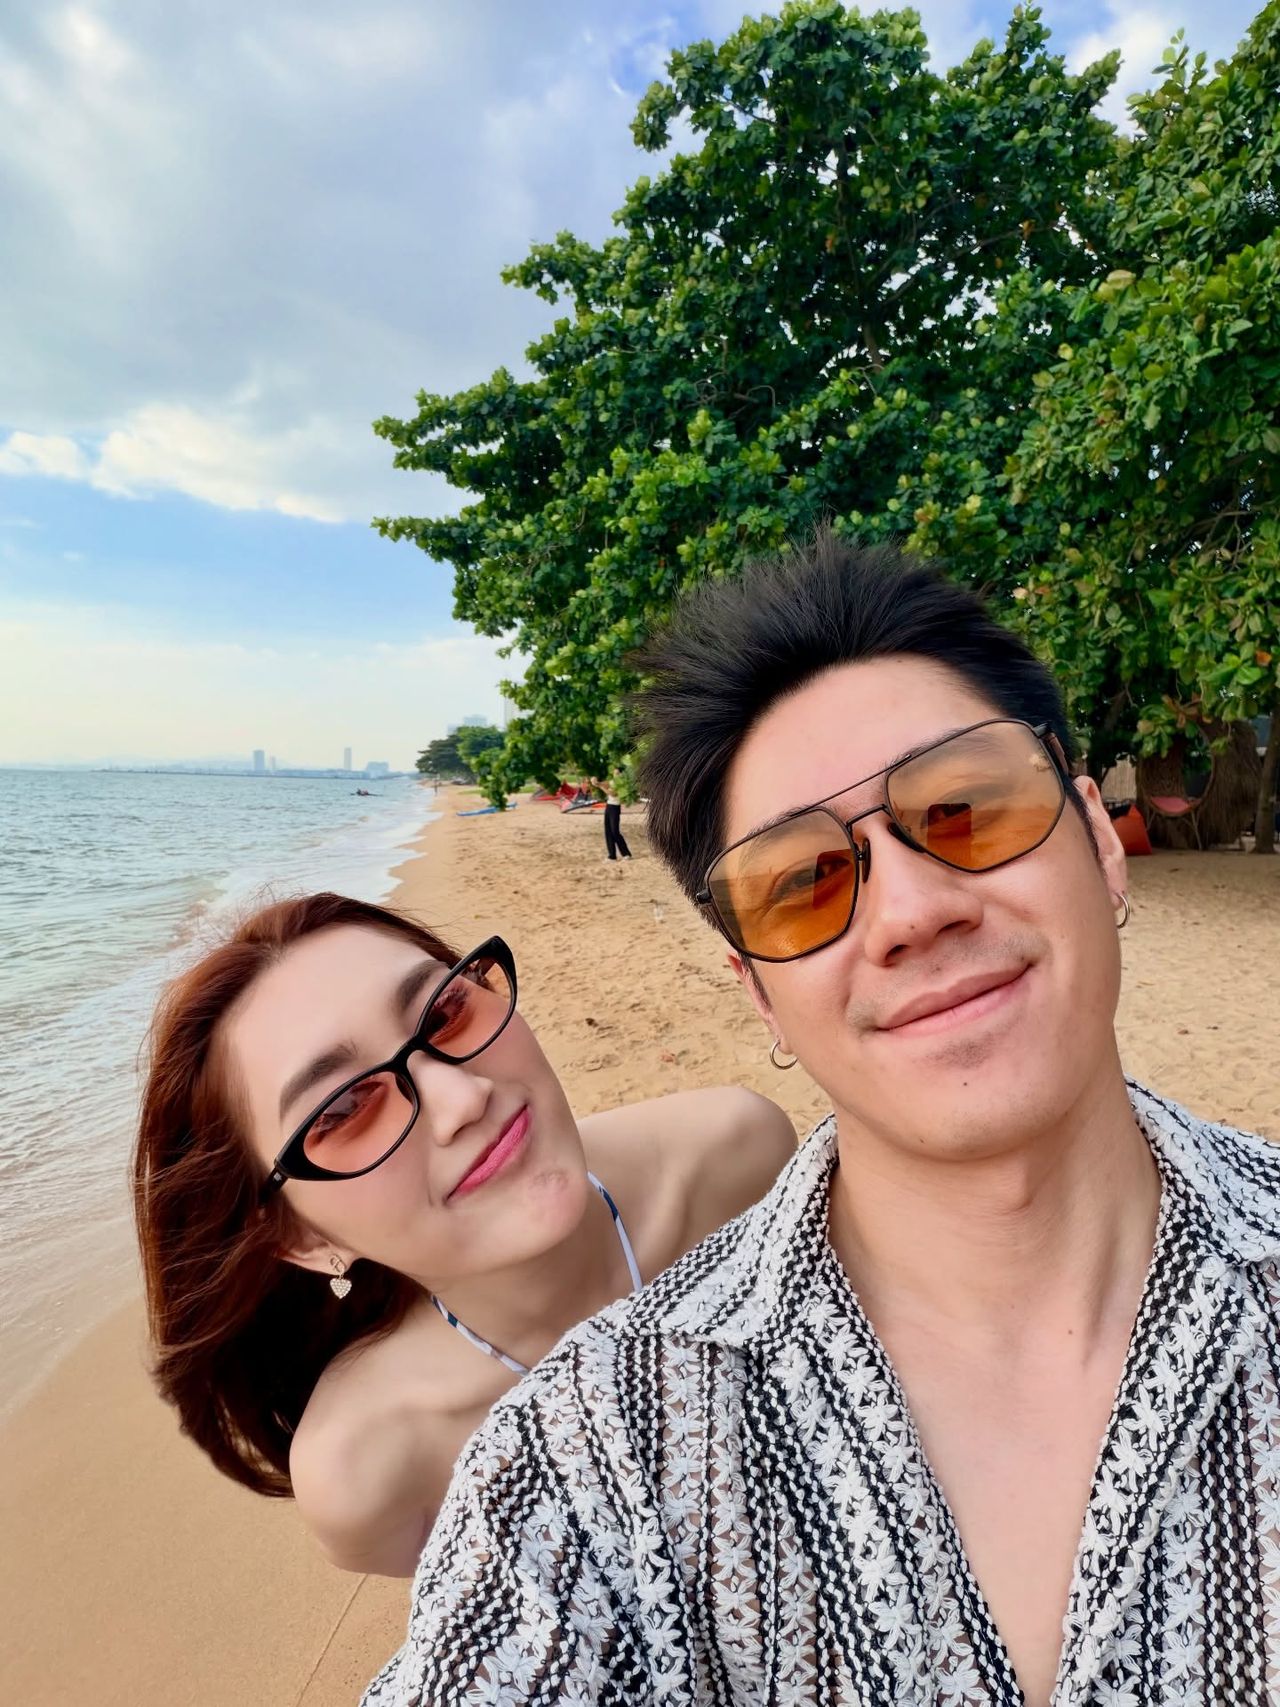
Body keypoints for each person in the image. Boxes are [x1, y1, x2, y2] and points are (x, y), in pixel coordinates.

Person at [364, 532, 1280, 1705]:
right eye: (800, 883)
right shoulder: (596, 1457)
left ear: (1098, 838)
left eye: (966, 807)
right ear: (757, 991)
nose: (908, 912)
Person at [132, 891, 795, 1578]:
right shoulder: (367, 1470)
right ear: (299, 1238)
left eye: (445, 1011)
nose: (463, 1098)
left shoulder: (738, 1155)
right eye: (345, 1108)